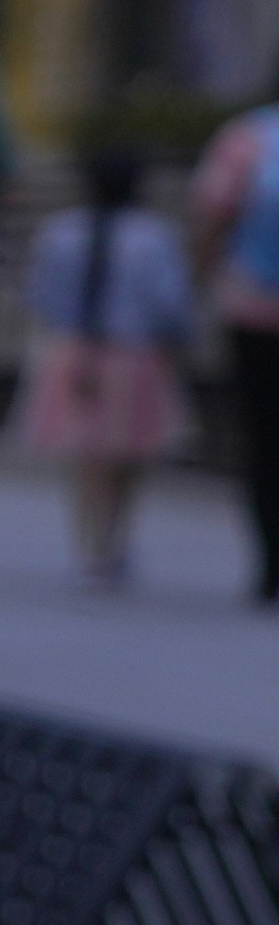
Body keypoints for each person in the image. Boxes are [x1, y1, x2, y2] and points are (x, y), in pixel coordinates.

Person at [21, 155, 200, 588]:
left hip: (75, 351)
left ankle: (92, 543)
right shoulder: (154, 237)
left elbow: (39, 293)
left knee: (89, 458)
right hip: (130, 354)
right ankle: (111, 539)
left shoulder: (62, 231)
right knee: (123, 458)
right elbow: (170, 302)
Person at [195, 94, 279, 603]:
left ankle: (272, 561)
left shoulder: (249, 137)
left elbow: (211, 216)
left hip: (252, 310)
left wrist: (198, 283)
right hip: (251, 311)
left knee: (264, 440)